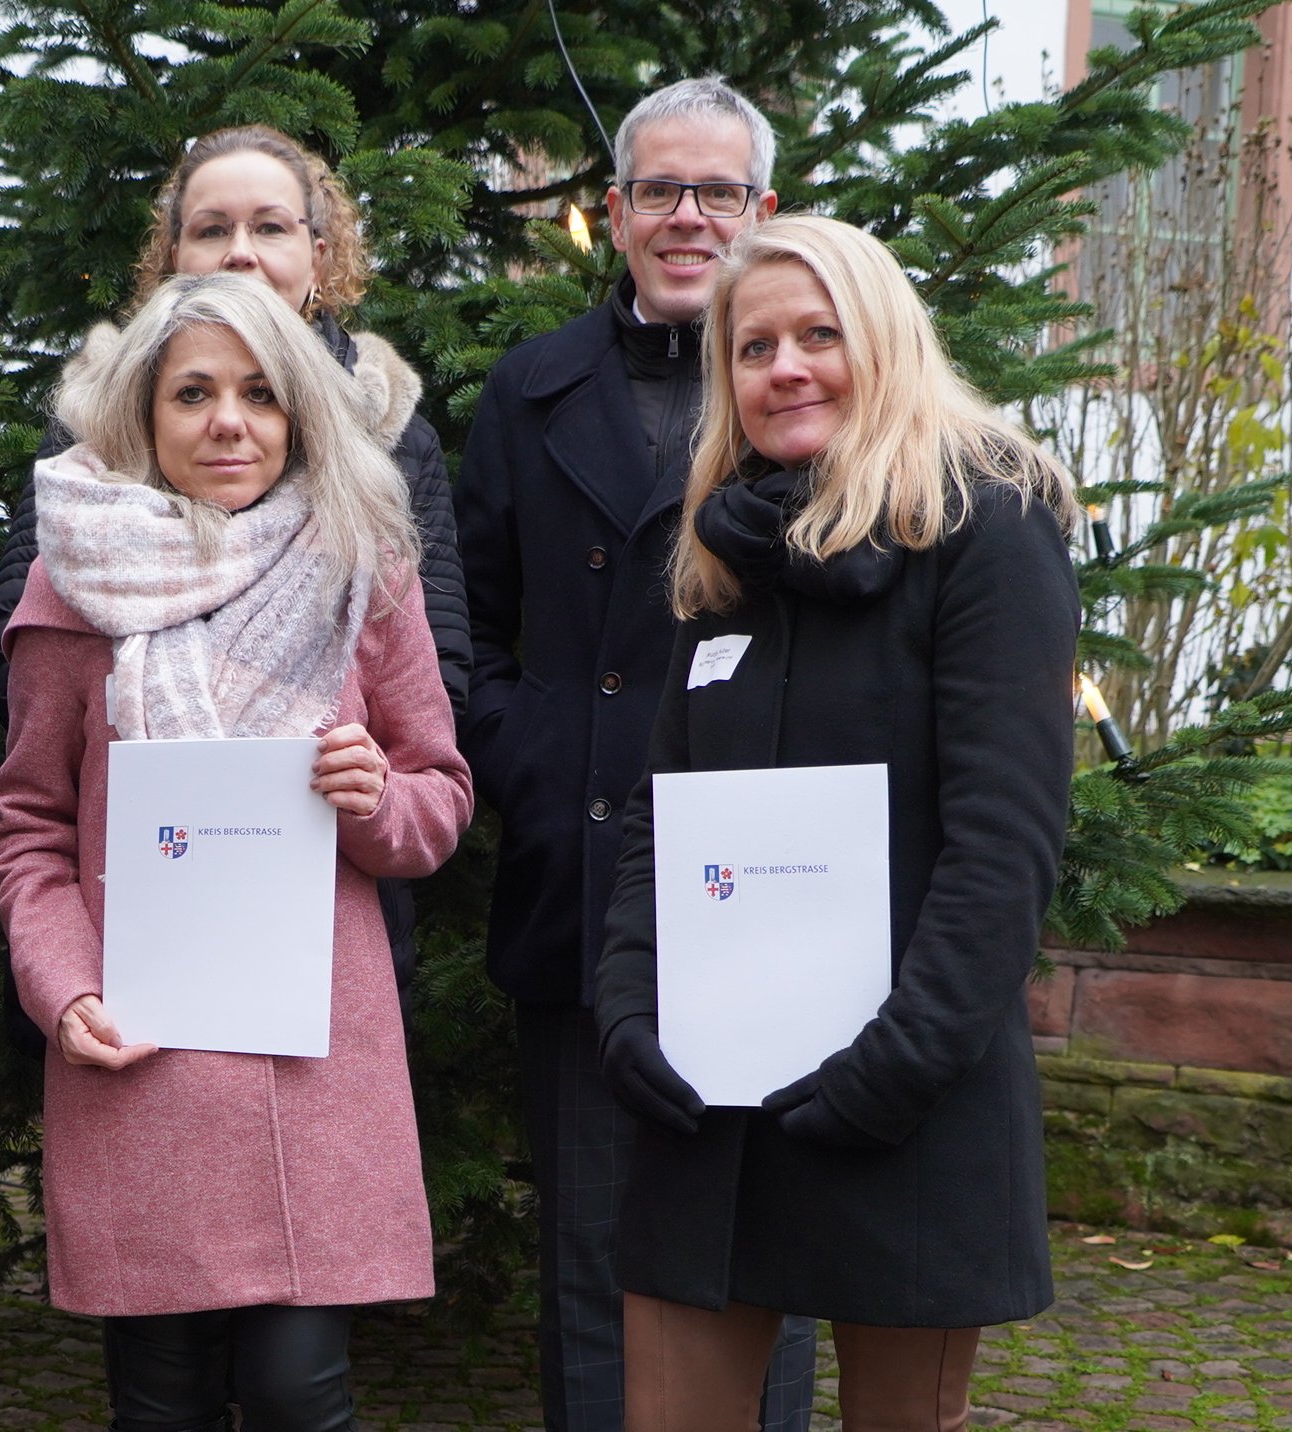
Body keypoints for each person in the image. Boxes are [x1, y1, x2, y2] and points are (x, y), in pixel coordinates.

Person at [594, 214, 1080, 1431]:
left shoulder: (985, 524)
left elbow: (999, 850)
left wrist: (885, 1073)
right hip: (705, 1111)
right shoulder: (723, 554)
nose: (784, 368)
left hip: (901, 1107)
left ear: (884, 341)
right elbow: (664, 822)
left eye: (819, 335)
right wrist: (624, 1011)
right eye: (752, 348)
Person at [0, 273, 472, 1431]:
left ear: (298, 411)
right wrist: (63, 990)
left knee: (302, 1394)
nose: (227, 421)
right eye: (192, 392)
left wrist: (370, 799)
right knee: (159, 1405)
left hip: (311, 1057)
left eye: (259, 394)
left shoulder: (364, 566)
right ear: (142, 417)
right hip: (138, 1053)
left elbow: (439, 798)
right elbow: (27, 828)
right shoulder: (70, 590)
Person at [451, 76, 813, 1432]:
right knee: (593, 1265)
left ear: (762, 212)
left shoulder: (809, 387)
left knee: (760, 1254)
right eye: (659, 189)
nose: (687, 217)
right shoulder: (531, 394)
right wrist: (530, 758)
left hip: (769, 887)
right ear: (610, 215)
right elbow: (470, 622)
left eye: (717, 192)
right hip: (583, 876)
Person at [0, 123, 469, 1013]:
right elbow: (35, 780)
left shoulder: (368, 526)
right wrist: (61, 977)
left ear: (320, 254)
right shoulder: (85, 483)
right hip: (133, 979)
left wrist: (368, 793)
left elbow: (429, 733)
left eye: (271, 227)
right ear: (171, 253)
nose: (240, 255)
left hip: (322, 967)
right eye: (212, 229)